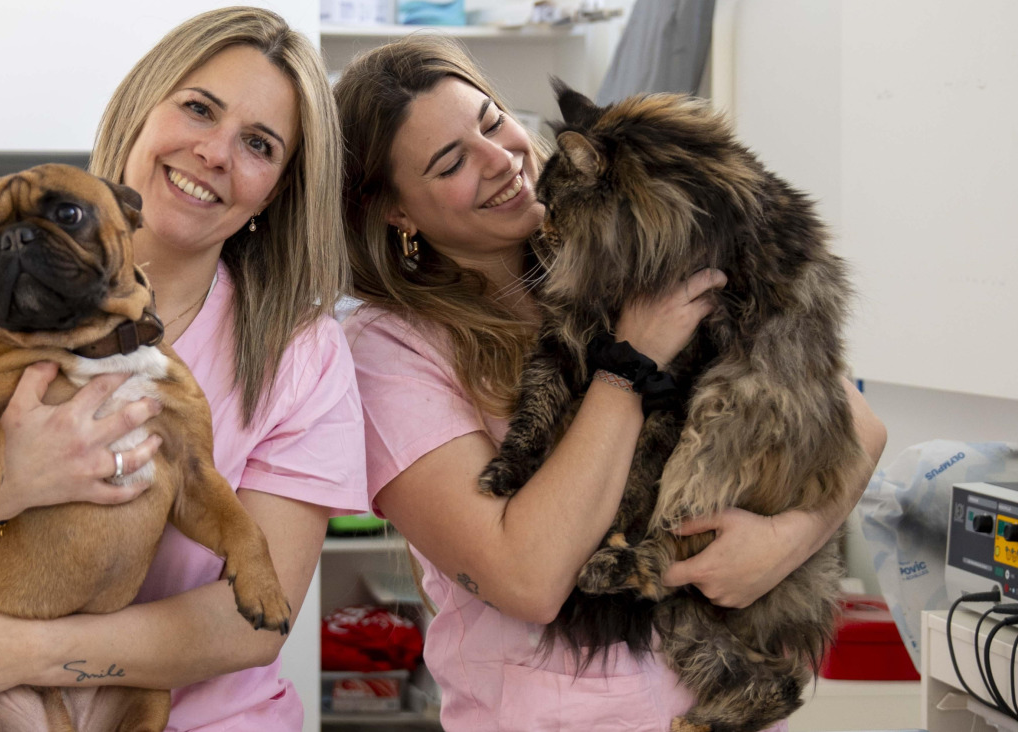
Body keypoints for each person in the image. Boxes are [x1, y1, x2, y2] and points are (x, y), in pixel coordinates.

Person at [0, 7, 367, 730]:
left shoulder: (302, 351)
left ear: (279, 189)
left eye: (258, 144)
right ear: (141, 109)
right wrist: (16, 476)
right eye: (198, 108)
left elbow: (257, 621)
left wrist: (24, 652)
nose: (214, 152)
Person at [335, 34, 887, 731]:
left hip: (724, 703)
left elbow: (858, 428)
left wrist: (787, 540)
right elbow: (528, 579)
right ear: (397, 211)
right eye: (451, 162)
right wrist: (629, 363)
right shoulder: (387, 351)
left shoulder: (617, 247)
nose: (500, 158)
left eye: (492, 122)